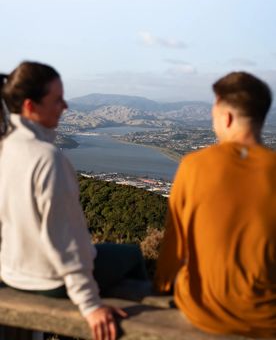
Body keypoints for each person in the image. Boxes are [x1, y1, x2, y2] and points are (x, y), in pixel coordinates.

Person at [0, 61, 148, 340]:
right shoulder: (46, 158)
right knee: (131, 255)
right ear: (31, 106)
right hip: (46, 280)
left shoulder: (6, 149)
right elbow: (67, 242)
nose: (65, 106)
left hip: (12, 273)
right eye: (57, 100)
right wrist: (90, 306)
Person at [154, 71, 276, 337]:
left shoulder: (194, 166)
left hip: (204, 311)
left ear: (227, 117)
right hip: (268, 317)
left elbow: (174, 244)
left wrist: (161, 285)